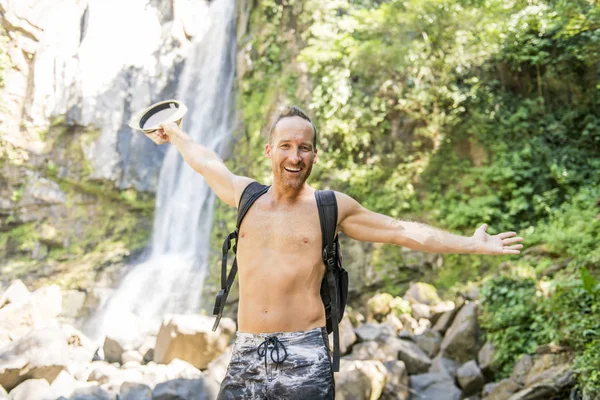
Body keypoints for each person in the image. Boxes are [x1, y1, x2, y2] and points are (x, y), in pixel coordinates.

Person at [145, 106, 524, 399]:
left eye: (304, 148)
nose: (295, 157)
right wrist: (175, 132)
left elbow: (402, 231)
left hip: (304, 354)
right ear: (269, 150)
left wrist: (470, 243)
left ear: (314, 155)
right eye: (287, 146)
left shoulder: (331, 208)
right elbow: (206, 161)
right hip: (246, 352)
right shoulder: (246, 197)